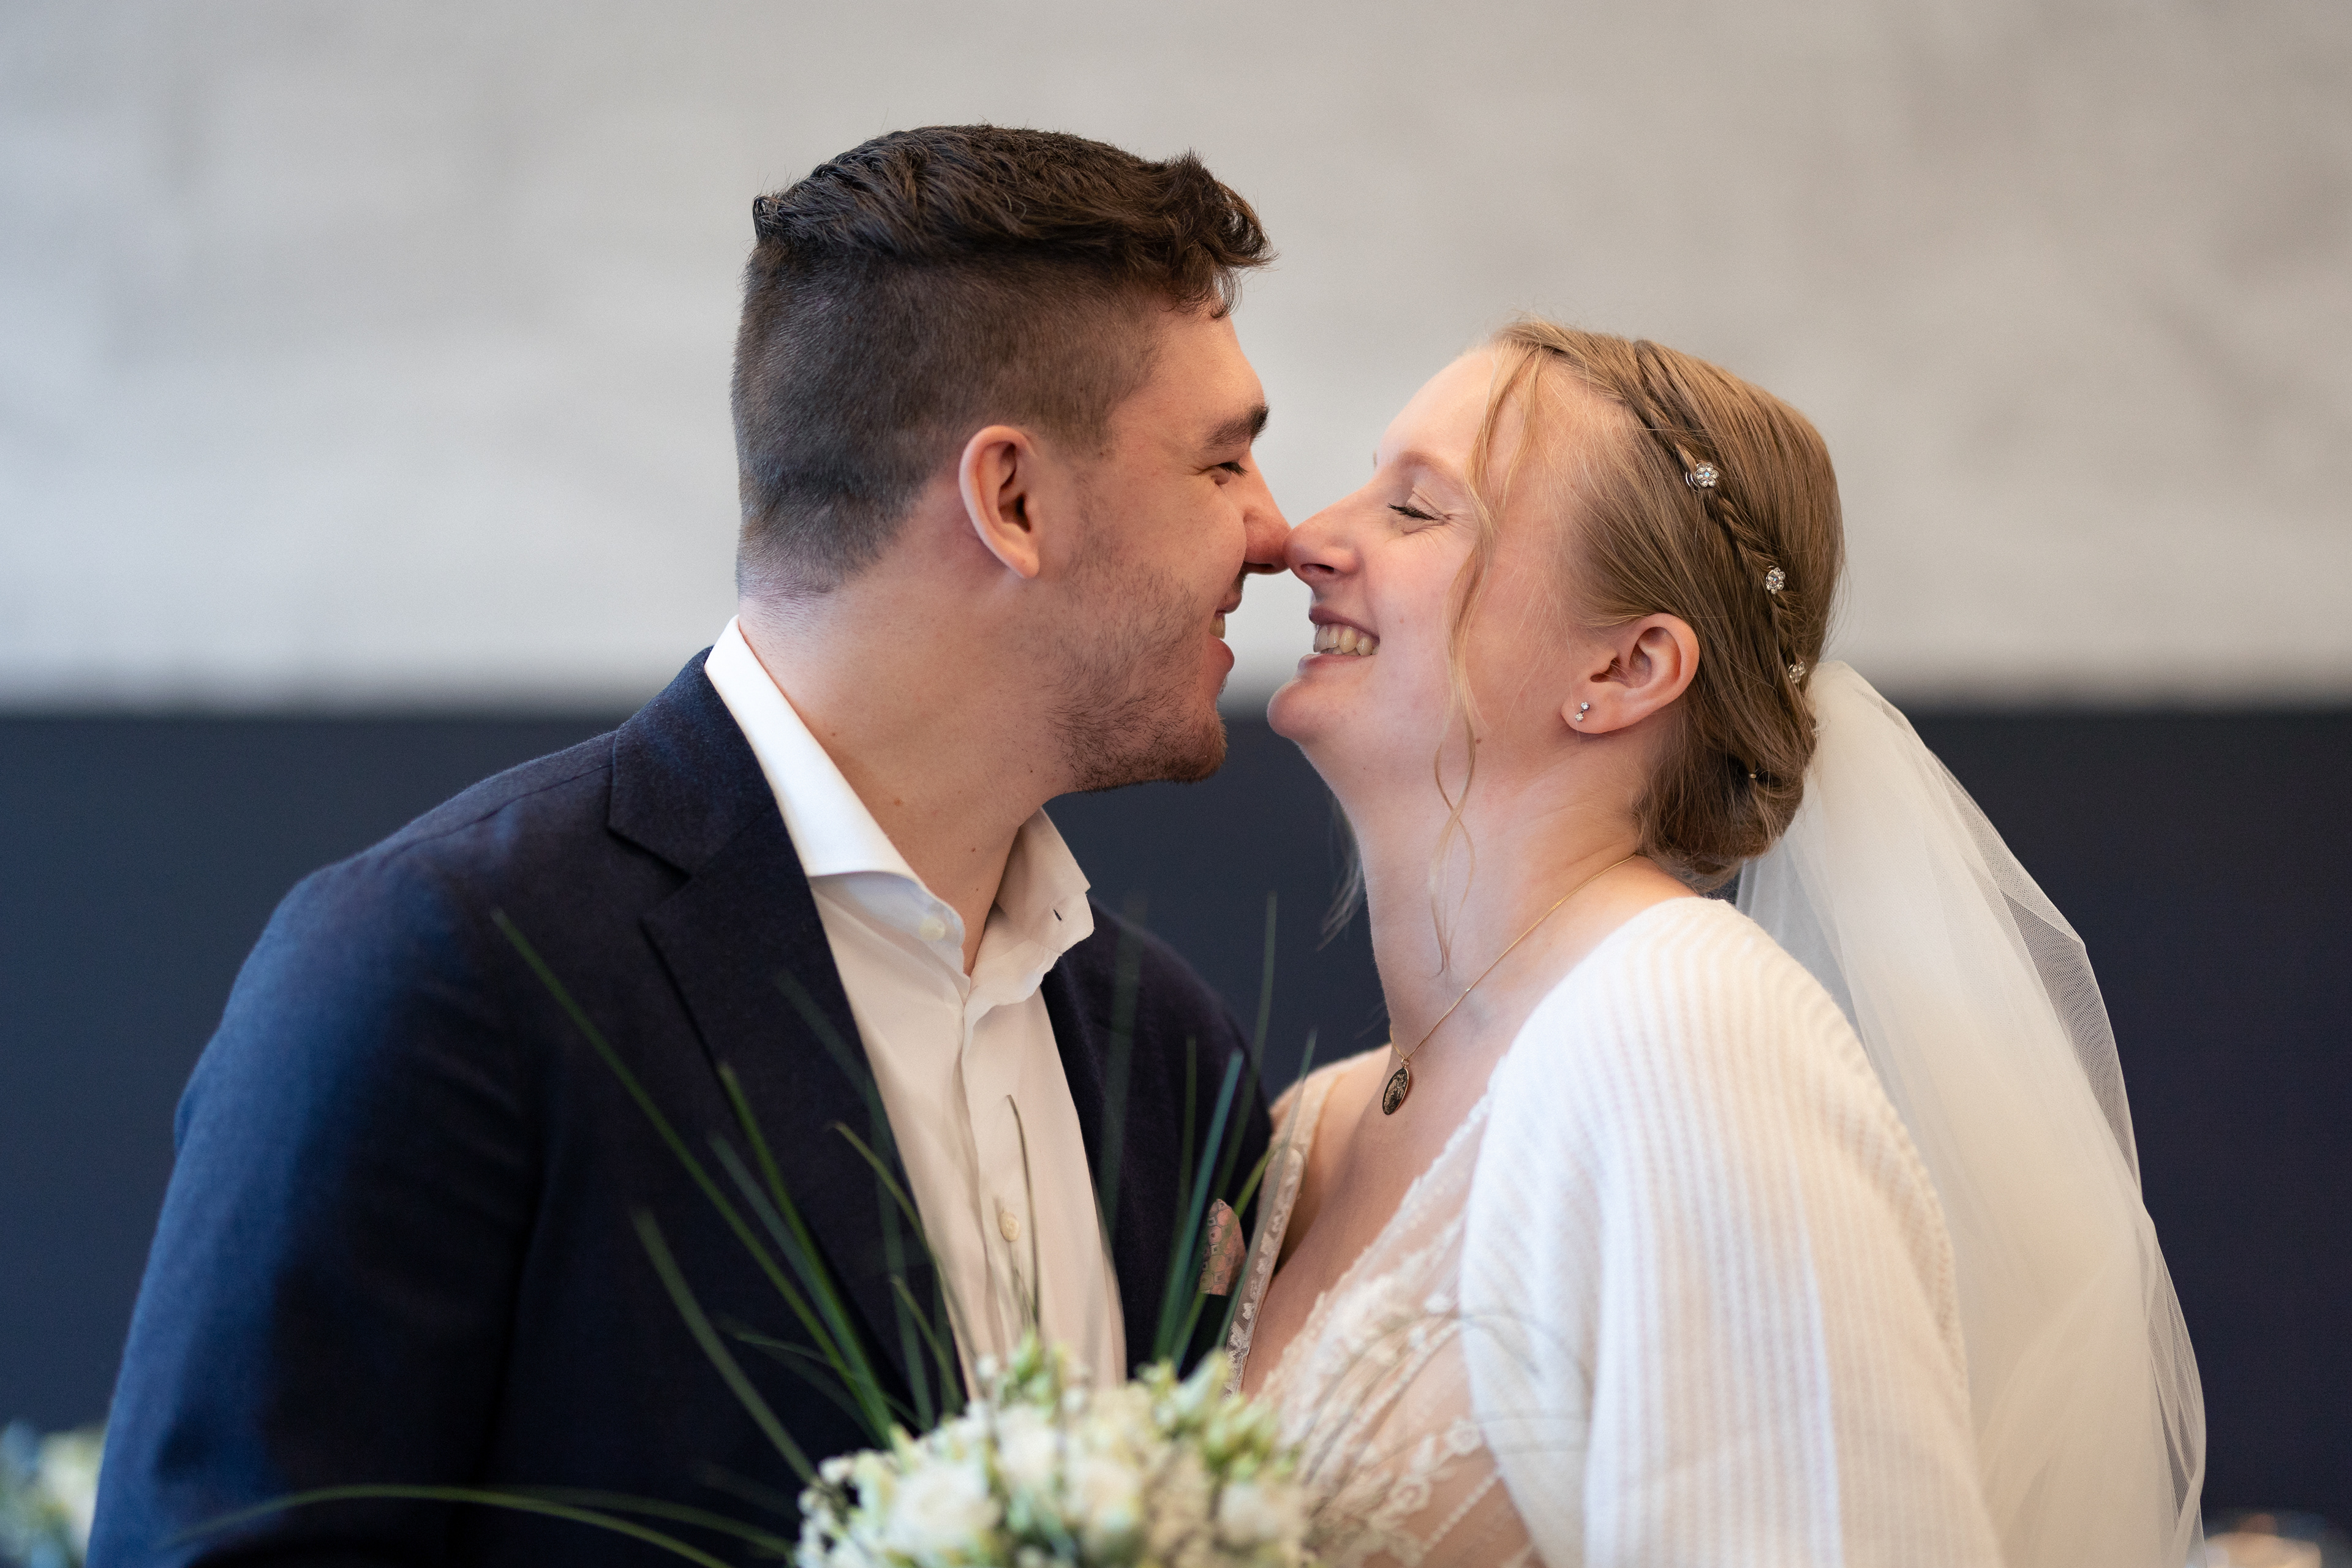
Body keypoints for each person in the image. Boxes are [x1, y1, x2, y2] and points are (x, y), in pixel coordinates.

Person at [91, 126, 1283, 1567]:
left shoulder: (1168, 1050)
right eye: (1223, 462)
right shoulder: (439, 970)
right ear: (1012, 499)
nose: (1274, 530)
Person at [1225, 320, 2204, 1566]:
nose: (1307, 536)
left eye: (1417, 509)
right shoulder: (1312, 1129)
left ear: (1627, 665)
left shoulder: (1689, 1033)